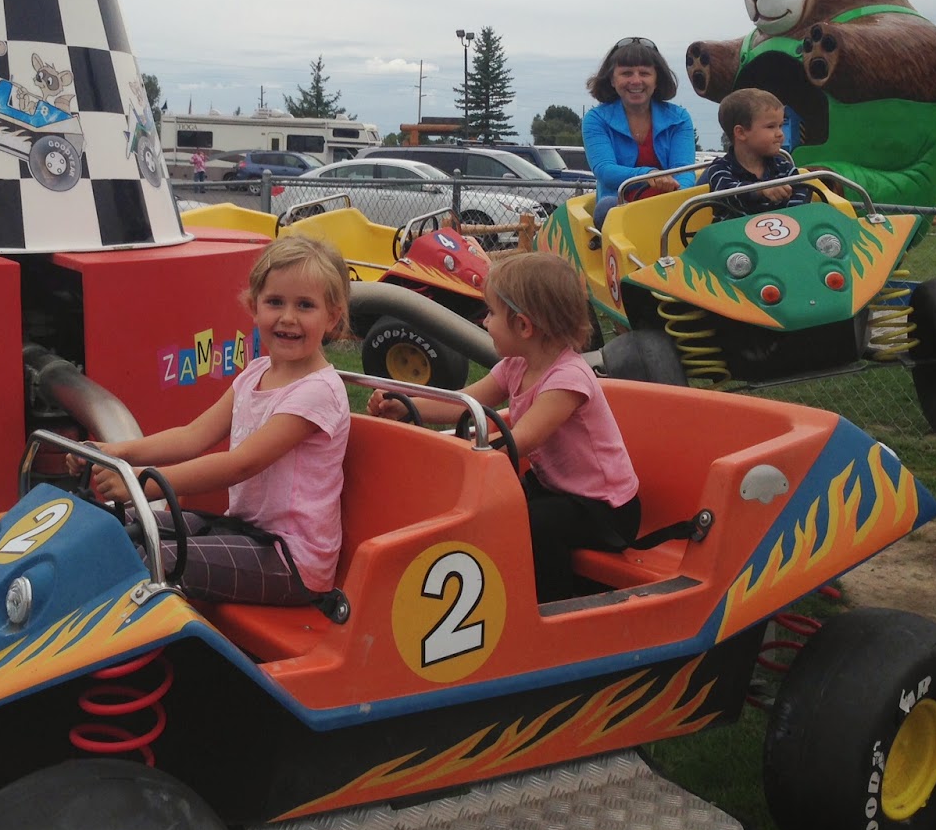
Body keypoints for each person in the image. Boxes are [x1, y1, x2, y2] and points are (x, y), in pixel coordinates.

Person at [87, 234, 352, 606]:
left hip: (291, 560)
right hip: (243, 530)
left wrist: (142, 484)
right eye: (275, 302)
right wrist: (115, 452)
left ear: (332, 317)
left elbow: (241, 463)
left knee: (149, 561)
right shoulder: (255, 373)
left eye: (305, 305)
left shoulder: (318, 391)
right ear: (254, 307)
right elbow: (193, 435)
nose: (288, 317)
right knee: (108, 528)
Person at [366, 252, 639, 601]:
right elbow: (463, 401)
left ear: (523, 326)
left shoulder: (568, 379)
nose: (485, 322)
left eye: (491, 313)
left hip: (606, 510)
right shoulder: (516, 366)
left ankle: (552, 605)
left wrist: (463, 451)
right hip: (558, 491)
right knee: (492, 509)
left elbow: (522, 439)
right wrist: (406, 406)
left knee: (531, 521)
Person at [581, 37, 697, 225]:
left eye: (644, 73)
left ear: (657, 79)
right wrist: (649, 174)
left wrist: (676, 198)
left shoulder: (679, 118)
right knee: (606, 207)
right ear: (612, 80)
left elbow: (685, 171)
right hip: (621, 212)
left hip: (669, 211)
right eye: (626, 73)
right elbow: (605, 171)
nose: (636, 81)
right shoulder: (596, 119)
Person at [702, 88, 811, 220]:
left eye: (780, 125)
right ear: (741, 133)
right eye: (771, 127)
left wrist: (792, 216)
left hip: (781, 229)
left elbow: (801, 197)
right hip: (733, 231)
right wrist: (761, 190)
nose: (780, 134)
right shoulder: (720, 169)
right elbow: (727, 194)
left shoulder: (784, 168)